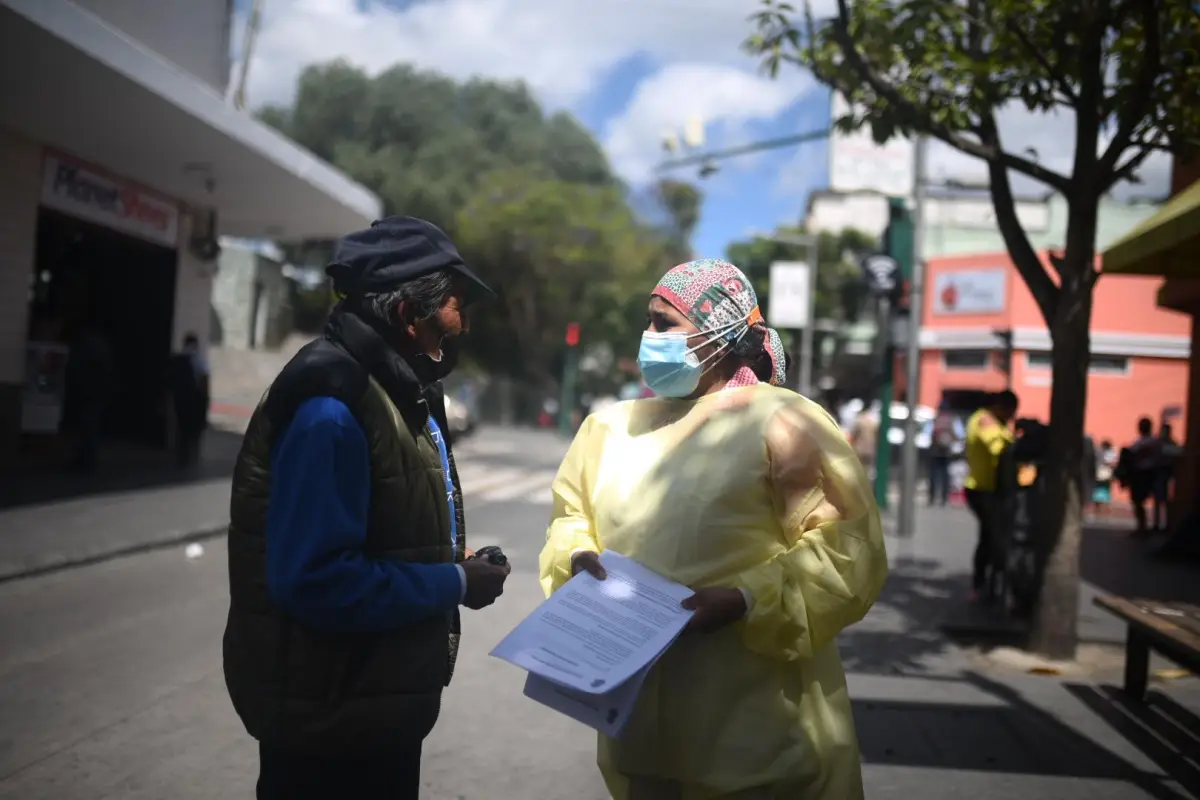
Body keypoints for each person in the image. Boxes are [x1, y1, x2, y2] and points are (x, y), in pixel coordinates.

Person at [539, 258, 887, 800]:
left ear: (719, 333)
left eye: (663, 324)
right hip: (641, 735)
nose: (648, 337)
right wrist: (579, 557)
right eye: (648, 322)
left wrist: (747, 600)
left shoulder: (784, 422)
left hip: (758, 740)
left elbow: (848, 548)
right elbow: (571, 516)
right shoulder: (608, 428)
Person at [221, 216, 513, 800]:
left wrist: (450, 558)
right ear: (409, 315)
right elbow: (316, 581)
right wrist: (454, 581)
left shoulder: (396, 389)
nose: (465, 323)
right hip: (327, 729)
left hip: (370, 713)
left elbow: (381, 528)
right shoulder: (332, 407)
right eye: (456, 306)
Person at [963, 390, 1019, 602]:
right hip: (981, 489)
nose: (1011, 417)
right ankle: (982, 584)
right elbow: (998, 447)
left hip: (992, 489)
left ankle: (987, 583)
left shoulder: (994, 421)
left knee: (989, 537)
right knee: (992, 537)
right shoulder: (985, 420)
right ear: (999, 406)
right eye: (1009, 411)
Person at [168, 332, 210, 467]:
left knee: (181, 427)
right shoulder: (199, 360)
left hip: (180, 398)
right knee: (194, 428)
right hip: (195, 399)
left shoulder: (177, 359)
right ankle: (192, 456)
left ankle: (181, 454)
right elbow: (204, 381)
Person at [928, 402, 963, 506]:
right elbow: (960, 435)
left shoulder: (935, 419)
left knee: (934, 475)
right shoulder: (953, 419)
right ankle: (944, 498)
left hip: (935, 451)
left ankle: (932, 497)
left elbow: (927, 433)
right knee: (946, 476)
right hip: (947, 452)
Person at [849, 402, 880, 478]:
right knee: (868, 469)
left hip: (860, 448)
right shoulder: (873, 421)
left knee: (859, 469)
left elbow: (854, 434)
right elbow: (877, 435)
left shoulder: (859, 420)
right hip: (870, 448)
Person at [1091, 439, 1117, 515]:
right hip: (1106, 475)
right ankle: (1105, 509)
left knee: (1098, 491)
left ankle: (1098, 509)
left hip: (1099, 474)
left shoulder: (1098, 451)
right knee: (1105, 491)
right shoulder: (1110, 452)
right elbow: (1112, 463)